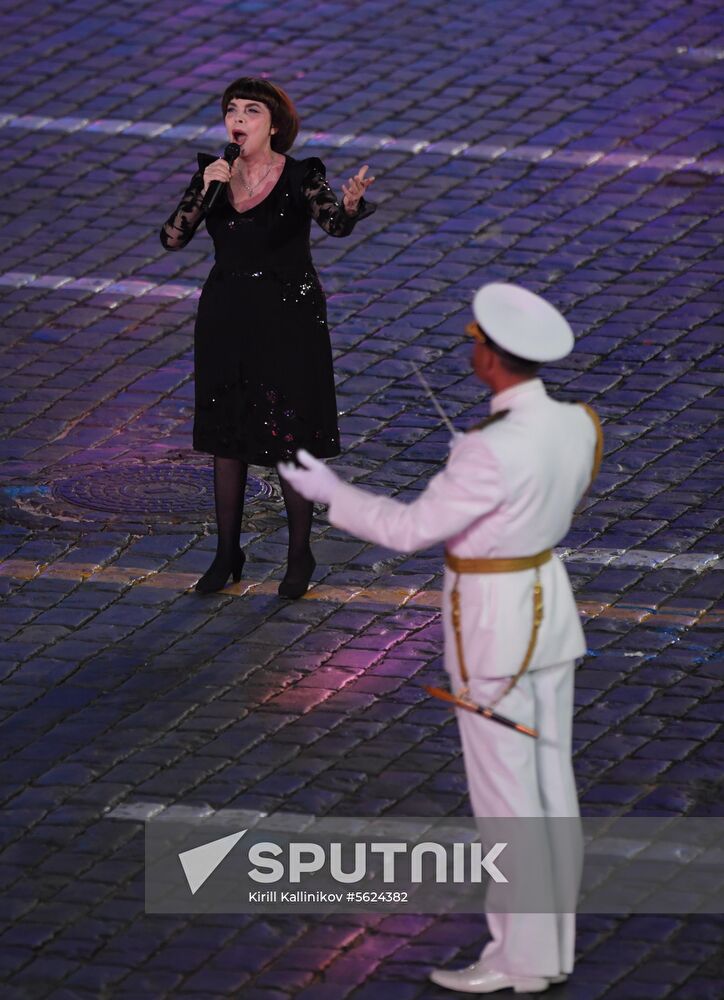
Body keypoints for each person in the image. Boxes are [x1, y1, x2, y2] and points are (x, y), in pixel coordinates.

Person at [279, 282, 603, 994]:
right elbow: (548, 494)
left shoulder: (488, 451)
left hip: (496, 629)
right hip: (551, 616)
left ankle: (519, 960)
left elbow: (407, 530)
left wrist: (331, 492)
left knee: (506, 803)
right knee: (552, 791)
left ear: (491, 359)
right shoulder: (578, 422)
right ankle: (550, 950)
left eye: (478, 344)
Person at [160, 77, 375, 597]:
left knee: (288, 438)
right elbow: (171, 238)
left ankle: (299, 554)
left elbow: (335, 225)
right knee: (226, 435)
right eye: (231, 110)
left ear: (273, 125)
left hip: (288, 320)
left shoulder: (301, 177)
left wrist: (347, 204)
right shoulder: (213, 176)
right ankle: (226, 552)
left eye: (250, 111)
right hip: (226, 315)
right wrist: (202, 188)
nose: (237, 119)